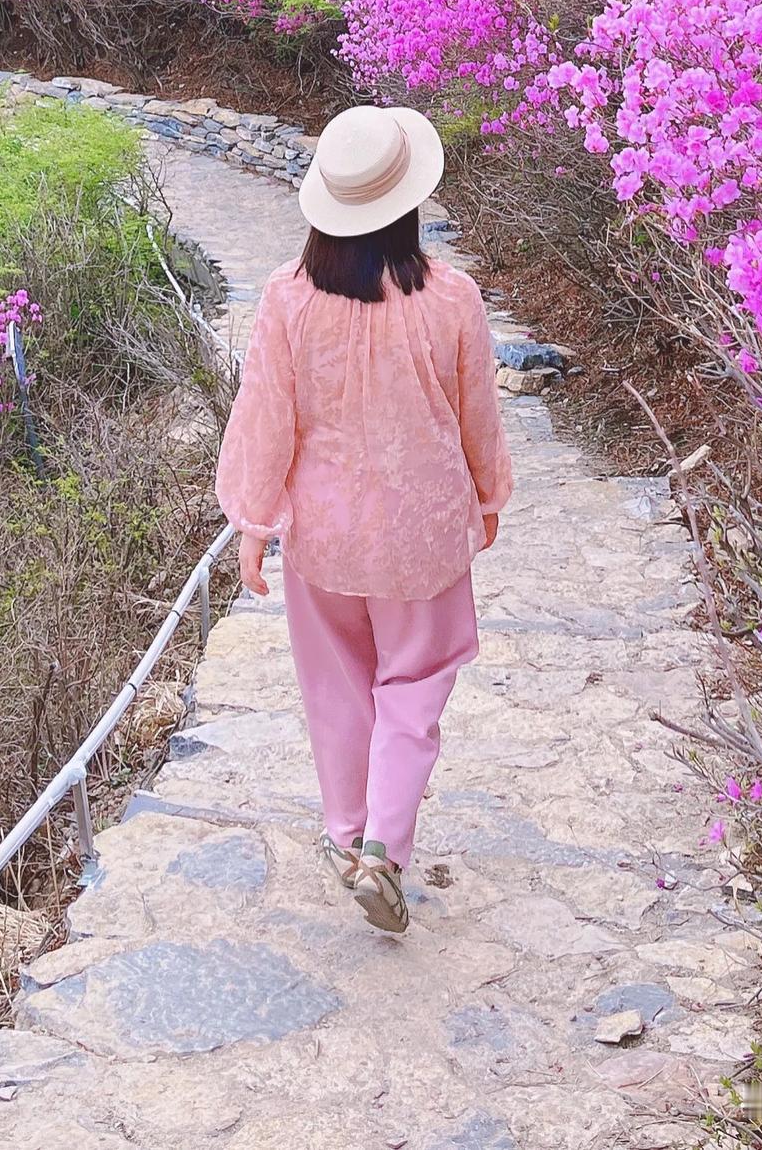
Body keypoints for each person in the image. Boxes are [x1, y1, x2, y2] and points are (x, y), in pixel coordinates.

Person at [215, 102, 512, 935]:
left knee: (337, 687)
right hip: (421, 532)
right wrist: (487, 499)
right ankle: (383, 850)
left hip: (325, 532)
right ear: (408, 202)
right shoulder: (451, 299)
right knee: (412, 688)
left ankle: (349, 838)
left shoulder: (288, 298)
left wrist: (254, 519)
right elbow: (476, 413)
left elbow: (266, 414)